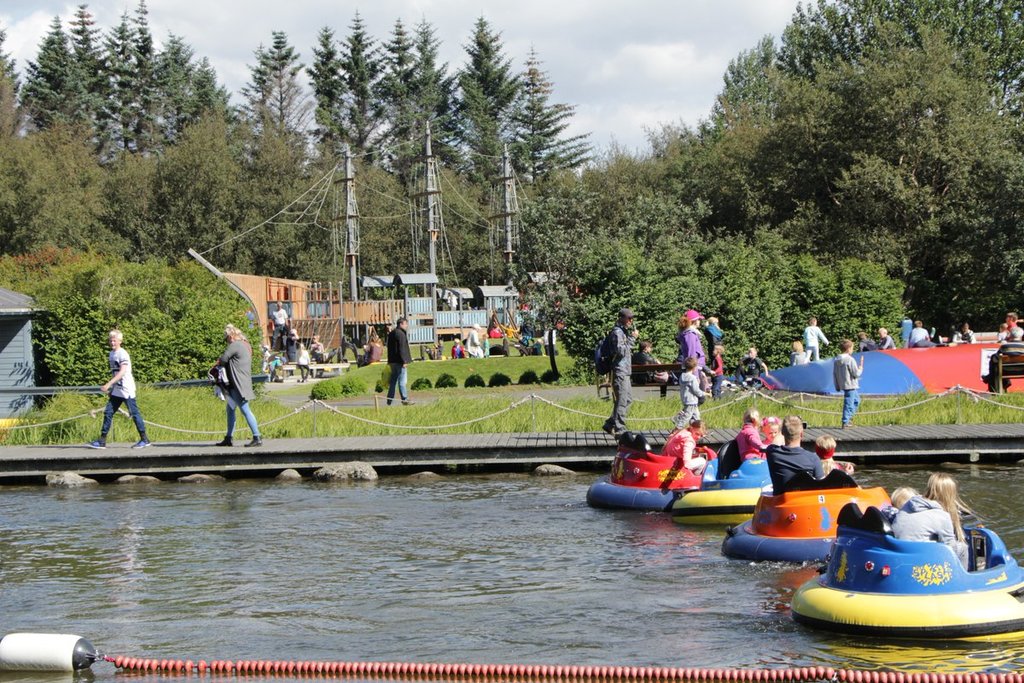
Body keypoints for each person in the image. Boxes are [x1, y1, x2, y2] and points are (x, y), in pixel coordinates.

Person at [888, 474, 969, 568]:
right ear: (950, 495)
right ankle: (961, 579)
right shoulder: (942, 516)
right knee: (963, 548)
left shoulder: (908, 505)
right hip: (921, 561)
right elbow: (951, 550)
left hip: (899, 554)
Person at [89, 329, 150, 449]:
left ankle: (144, 439)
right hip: (117, 390)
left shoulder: (123, 354)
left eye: (114, 340)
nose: (112, 343)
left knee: (134, 413)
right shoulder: (111, 354)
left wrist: (108, 384)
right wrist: (112, 389)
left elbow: (122, 372)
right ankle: (102, 440)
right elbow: (114, 372)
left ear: (120, 341)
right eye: (111, 340)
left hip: (126, 389)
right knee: (108, 412)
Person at [215, 324, 262, 447]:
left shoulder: (235, 345)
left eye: (226, 339)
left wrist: (218, 361)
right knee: (230, 409)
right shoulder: (246, 345)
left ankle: (257, 437)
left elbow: (224, 359)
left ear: (230, 336)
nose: (227, 342)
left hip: (237, 384)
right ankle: (228, 437)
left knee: (245, 410)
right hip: (242, 382)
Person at [602, 308, 638, 437]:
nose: (631, 321)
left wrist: (629, 338)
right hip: (620, 370)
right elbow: (620, 352)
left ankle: (610, 423)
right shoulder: (617, 332)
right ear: (621, 318)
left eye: (632, 318)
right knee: (622, 400)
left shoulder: (623, 332)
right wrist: (632, 339)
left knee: (627, 400)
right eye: (629, 318)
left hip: (625, 370)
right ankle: (619, 428)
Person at [765, 416, 823, 495]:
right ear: (801, 434)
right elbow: (822, 487)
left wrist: (783, 429)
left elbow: (775, 442)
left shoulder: (773, 453)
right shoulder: (813, 458)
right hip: (805, 503)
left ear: (782, 432)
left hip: (781, 503)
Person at [833, 339, 864, 429]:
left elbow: (834, 374)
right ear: (848, 349)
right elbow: (856, 374)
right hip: (851, 384)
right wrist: (861, 368)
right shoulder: (850, 360)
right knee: (849, 402)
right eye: (852, 348)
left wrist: (837, 385)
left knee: (856, 401)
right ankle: (846, 421)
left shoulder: (836, 360)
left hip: (843, 384)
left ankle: (848, 419)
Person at [983, 325, 1024, 392]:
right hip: (1022, 369)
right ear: (1021, 336)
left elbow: (996, 359)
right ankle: (990, 378)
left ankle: (993, 386)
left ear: (1010, 336)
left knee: (994, 360)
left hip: (1006, 370)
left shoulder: (1005, 346)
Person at [386, 317, 414, 406]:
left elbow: (389, 348)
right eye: (405, 324)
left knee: (393, 381)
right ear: (401, 324)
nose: (407, 326)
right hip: (400, 361)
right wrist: (404, 361)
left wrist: (389, 360)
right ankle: (405, 399)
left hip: (392, 361)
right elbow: (402, 348)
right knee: (402, 381)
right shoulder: (401, 334)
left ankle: (389, 399)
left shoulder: (391, 333)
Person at [673, 357, 705, 429]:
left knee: (696, 416)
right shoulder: (692, 378)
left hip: (686, 399)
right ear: (694, 367)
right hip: (692, 401)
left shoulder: (682, 376)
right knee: (686, 417)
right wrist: (704, 394)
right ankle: (676, 430)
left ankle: (698, 431)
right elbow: (696, 391)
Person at [675, 310, 707, 384]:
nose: (700, 321)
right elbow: (691, 355)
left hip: (697, 366)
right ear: (694, 321)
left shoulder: (691, 333)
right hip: (694, 367)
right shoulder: (690, 334)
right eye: (698, 319)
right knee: (696, 393)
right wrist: (694, 375)